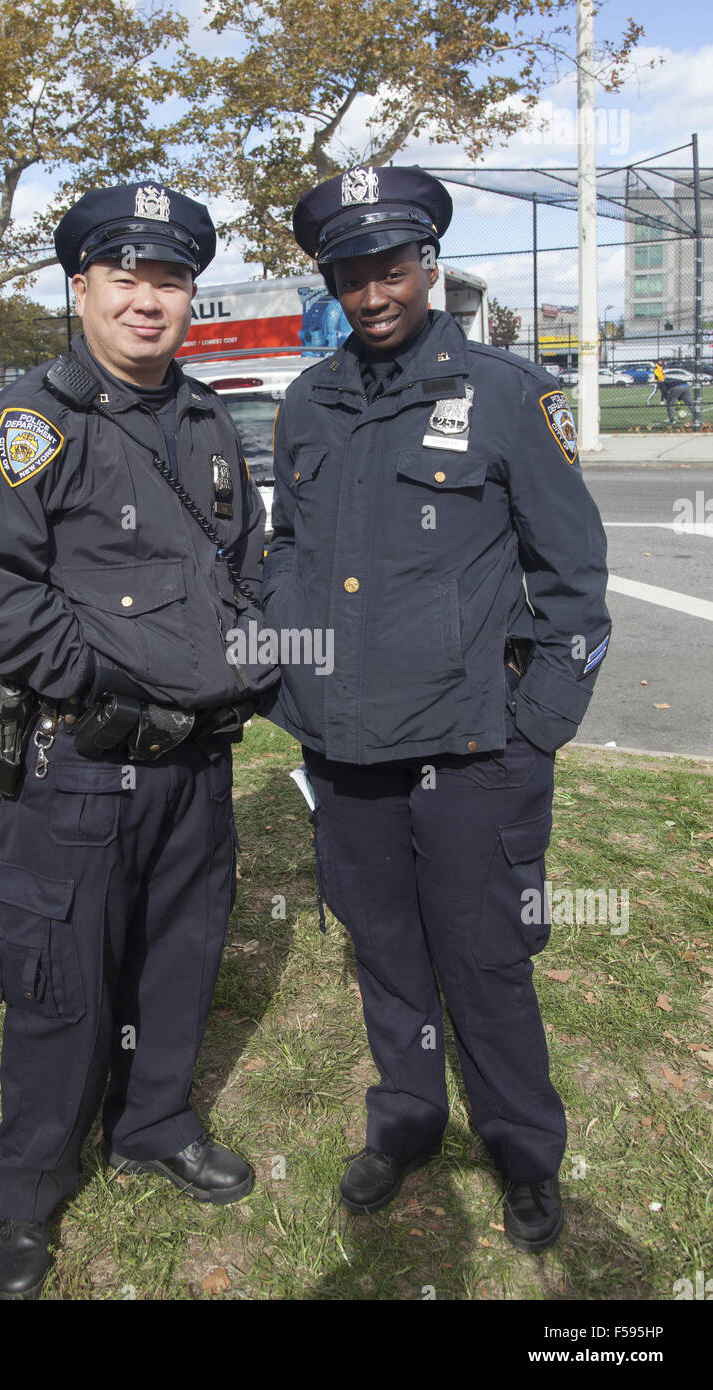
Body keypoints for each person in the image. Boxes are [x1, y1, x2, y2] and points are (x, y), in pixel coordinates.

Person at [261, 165, 611, 1251]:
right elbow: (287, 554)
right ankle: (407, 1118)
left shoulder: (505, 392)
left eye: (391, 266)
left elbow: (572, 579)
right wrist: (292, 682)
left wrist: (534, 725)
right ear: (331, 282)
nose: (373, 291)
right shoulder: (306, 401)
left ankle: (520, 1149)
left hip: (472, 754)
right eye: (349, 273)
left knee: (485, 960)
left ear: (428, 266)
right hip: (349, 751)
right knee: (385, 952)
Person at [0, 182, 278, 1299]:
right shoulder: (28, 424)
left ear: (191, 294)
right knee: (60, 987)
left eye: (169, 279)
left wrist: (247, 662)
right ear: (78, 288)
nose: (148, 300)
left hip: (198, 765)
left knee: (179, 960)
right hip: (80, 766)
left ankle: (154, 1121)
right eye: (124, 277)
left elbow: (243, 567)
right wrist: (118, 693)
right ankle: (26, 1192)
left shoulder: (205, 418)